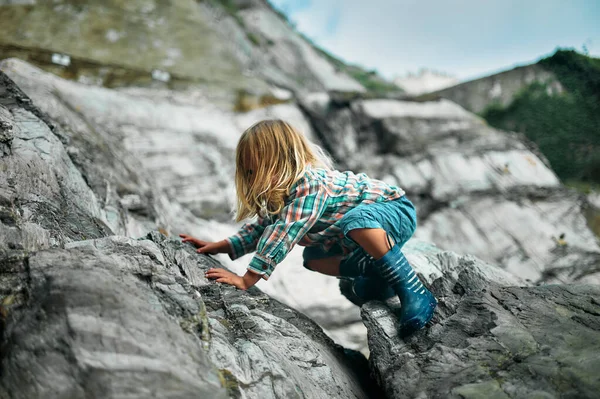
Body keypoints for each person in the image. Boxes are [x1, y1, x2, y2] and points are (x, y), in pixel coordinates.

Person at [179, 120, 437, 337]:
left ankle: (413, 289)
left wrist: (247, 279)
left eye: (258, 168)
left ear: (282, 160)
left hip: (393, 211)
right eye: (248, 171)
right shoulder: (281, 197)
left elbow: (284, 234)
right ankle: (377, 271)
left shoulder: (310, 184)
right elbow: (262, 229)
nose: (253, 177)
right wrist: (221, 246)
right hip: (358, 237)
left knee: (355, 220)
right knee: (313, 259)